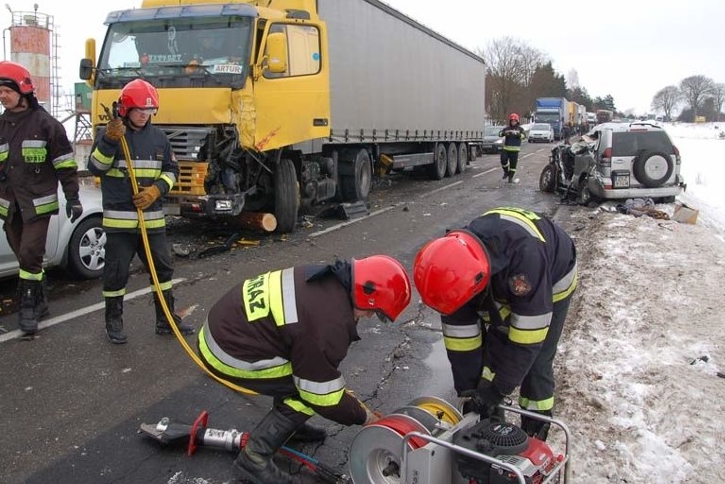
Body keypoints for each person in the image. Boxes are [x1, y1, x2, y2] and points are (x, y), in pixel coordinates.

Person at [197, 255, 412, 484]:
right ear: (367, 295)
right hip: (227, 352)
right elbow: (322, 394)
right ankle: (254, 458)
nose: (370, 317)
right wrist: (365, 418)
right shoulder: (329, 323)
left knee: (306, 371)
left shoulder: (329, 278)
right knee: (308, 392)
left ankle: (287, 427)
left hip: (224, 327)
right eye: (374, 312)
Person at [412, 207, 577, 440]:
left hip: (552, 277)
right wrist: (470, 393)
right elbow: (462, 343)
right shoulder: (453, 271)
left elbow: (526, 342)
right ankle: (490, 429)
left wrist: (497, 390)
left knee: (535, 363)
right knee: (491, 356)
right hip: (499, 275)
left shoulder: (524, 259)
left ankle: (535, 431)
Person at [0, 61, 82, 335]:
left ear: (22, 90)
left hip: (38, 206)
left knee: (29, 254)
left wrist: (73, 198)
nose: (2, 96)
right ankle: (41, 300)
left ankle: (26, 309)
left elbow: (65, 165)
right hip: (10, 207)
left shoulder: (48, 125)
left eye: (6, 90)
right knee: (27, 259)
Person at [87, 78, 194, 344]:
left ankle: (166, 320)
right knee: (116, 275)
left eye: (149, 110)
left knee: (163, 271)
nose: (144, 115)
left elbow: (172, 171)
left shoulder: (159, 138)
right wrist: (110, 141)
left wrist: (156, 190)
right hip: (120, 225)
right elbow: (95, 168)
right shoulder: (109, 135)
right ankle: (113, 322)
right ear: (125, 109)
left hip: (152, 222)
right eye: (139, 110)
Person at [500, 113, 526, 183]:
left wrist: (518, 134)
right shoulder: (507, 128)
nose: (513, 122)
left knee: (513, 165)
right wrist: (505, 133)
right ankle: (506, 172)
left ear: (517, 121)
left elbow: (524, 136)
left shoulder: (520, 129)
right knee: (503, 160)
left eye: (514, 121)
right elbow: (500, 133)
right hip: (506, 149)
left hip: (515, 150)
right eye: (512, 121)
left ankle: (510, 178)